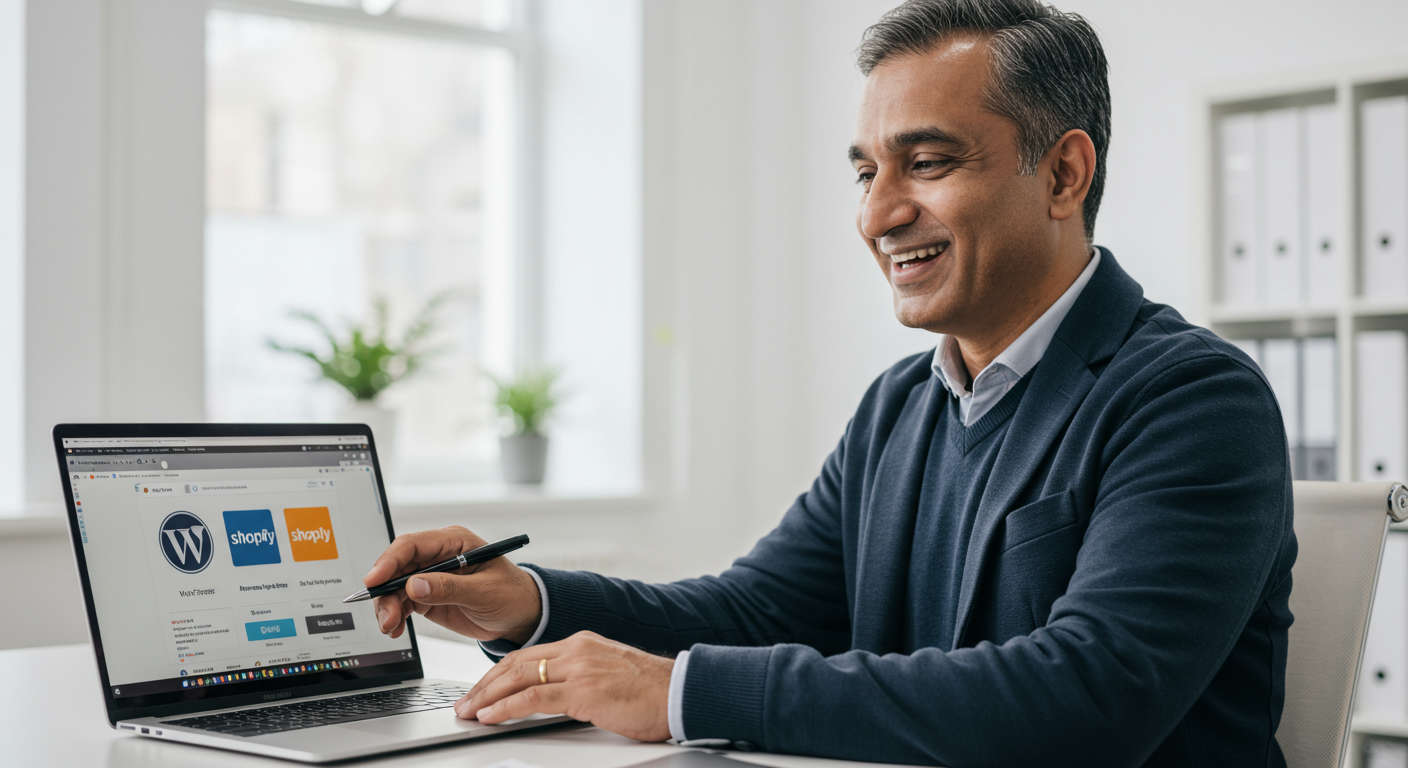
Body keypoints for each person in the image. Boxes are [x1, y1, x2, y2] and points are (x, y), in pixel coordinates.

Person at [364, 1, 1297, 764]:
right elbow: (750, 609)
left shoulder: (1194, 400)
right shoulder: (901, 404)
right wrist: (526, 599)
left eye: (926, 164)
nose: (880, 214)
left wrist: (685, 692)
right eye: (866, 172)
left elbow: (1087, 698)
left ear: (1062, 172)